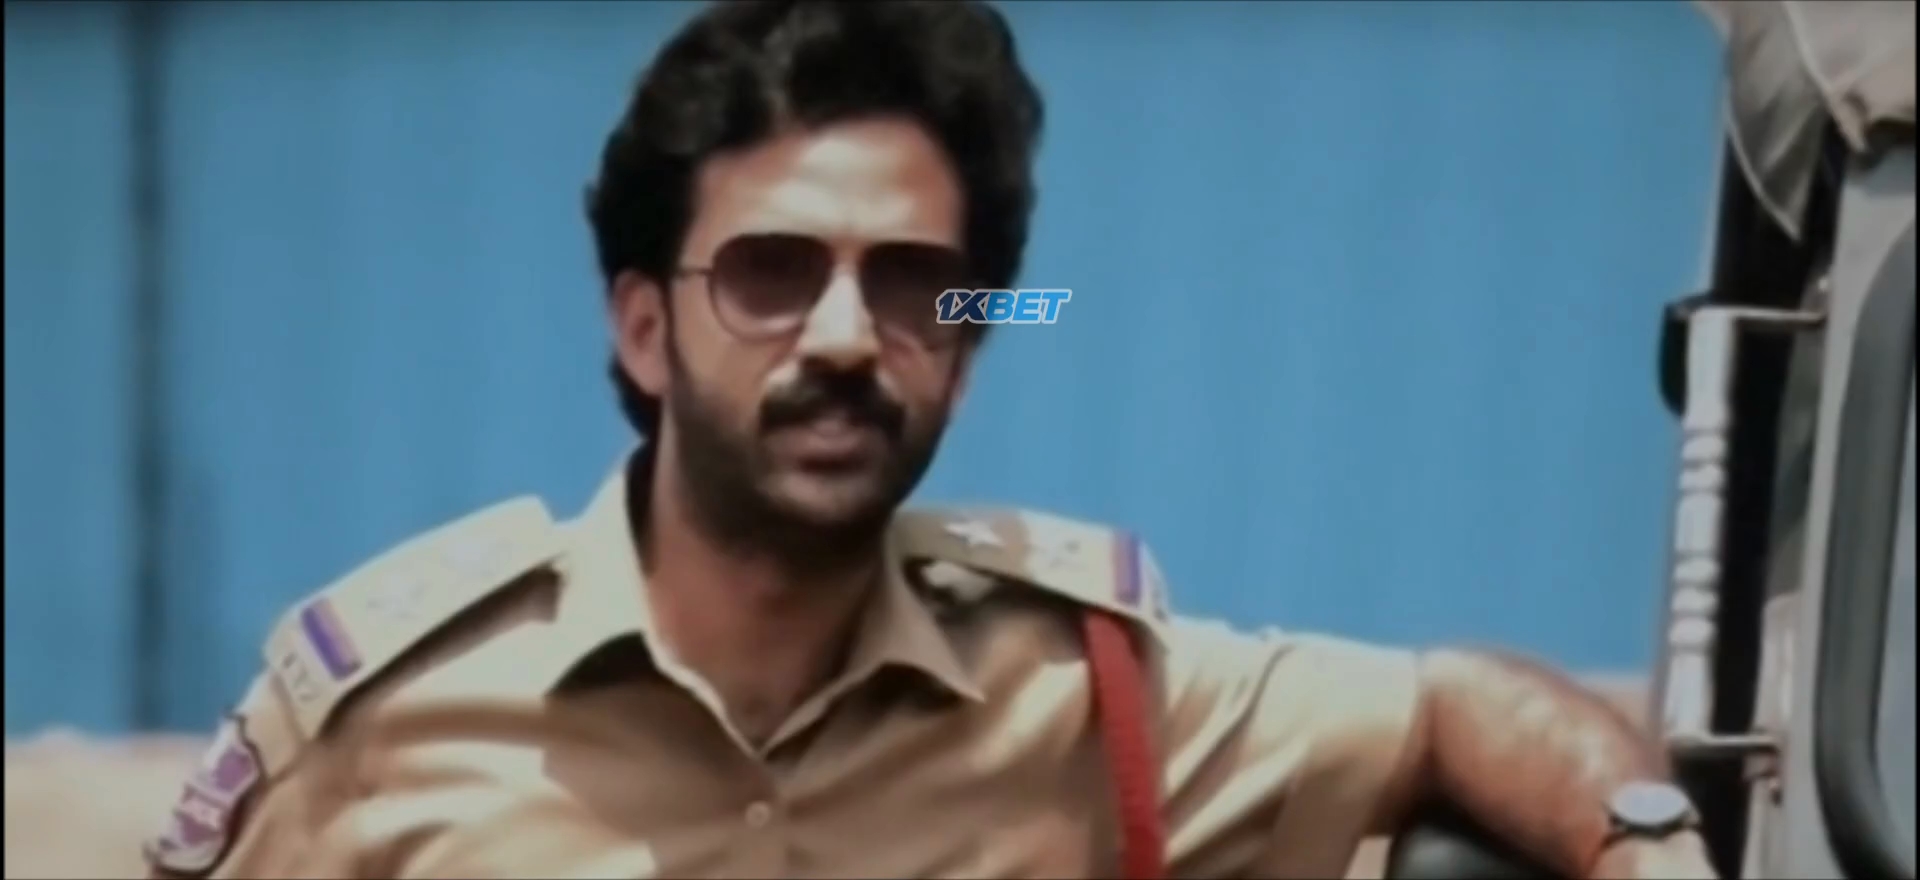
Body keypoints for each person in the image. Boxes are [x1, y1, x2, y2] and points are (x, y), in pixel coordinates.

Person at [142, 2, 1719, 878]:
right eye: (771, 274)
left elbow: (1451, 710)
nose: (844, 336)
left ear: (963, 350)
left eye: (911, 286)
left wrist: (1648, 850)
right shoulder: (388, 717)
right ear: (642, 328)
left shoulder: (1089, 695)